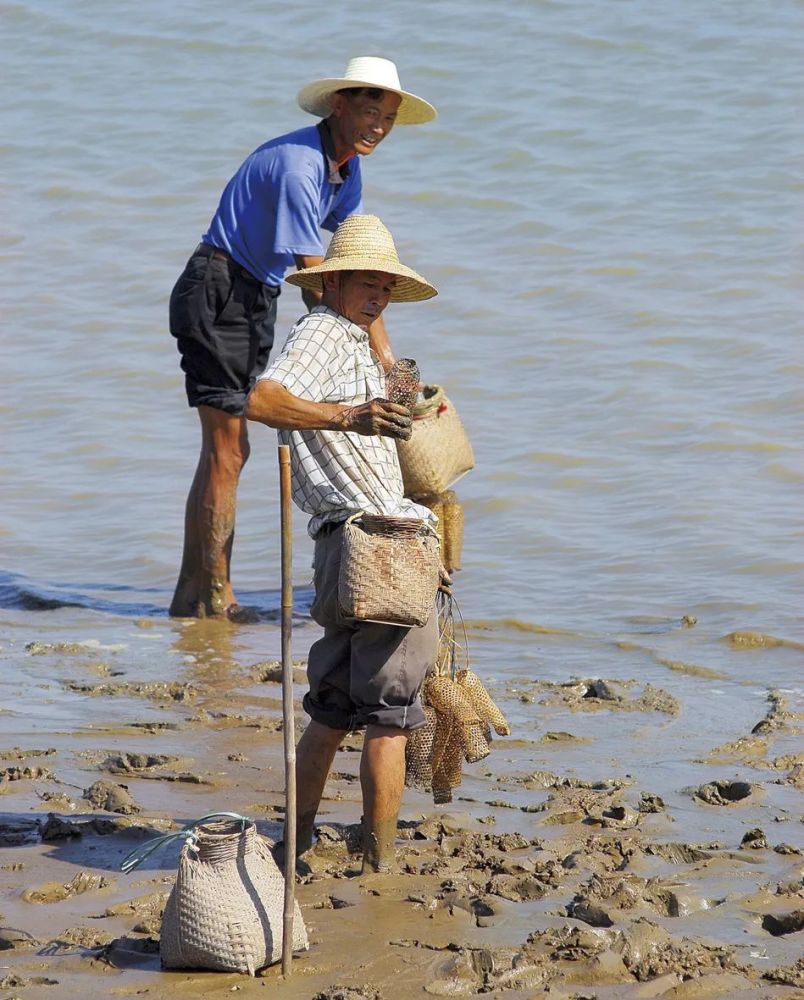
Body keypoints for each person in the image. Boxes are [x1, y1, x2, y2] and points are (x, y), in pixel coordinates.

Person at [168, 58, 437, 619]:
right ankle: (217, 600)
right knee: (229, 449)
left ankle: (192, 595)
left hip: (254, 293)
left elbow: (362, 266)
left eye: (387, 118)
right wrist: (355, 355)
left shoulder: (345, 169)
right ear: (338, 105)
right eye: (369, 112)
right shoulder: (299, 167)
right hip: (219, 288)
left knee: (227, 452)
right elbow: (321, 278)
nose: (378, 128)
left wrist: (390, 362)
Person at [245, 214, 440, 873]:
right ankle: (381, 859)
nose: (378, 296)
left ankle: (295, 840)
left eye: (387, 286)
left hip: (344, 546)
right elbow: (263, 399)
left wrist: (395, 363)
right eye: (367, 283)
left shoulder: (357, 339)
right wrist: (348, 416)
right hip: (383, 543)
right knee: (389, 715)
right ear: (330, 283)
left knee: (331, 705)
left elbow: (407, 411)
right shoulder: (326, 333)